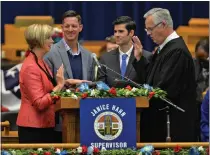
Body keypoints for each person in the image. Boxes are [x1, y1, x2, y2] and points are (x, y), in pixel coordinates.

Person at [132, 8, 197, 142]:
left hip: (172, 126)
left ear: (163, 24)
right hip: (160, 123)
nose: (148, 34)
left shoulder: (176, 51)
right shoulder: (166, 48)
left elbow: (163, 89)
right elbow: (151, 78)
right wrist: (139, 59)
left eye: (150, 29)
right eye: (147, 30)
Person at [44, 10, 94, 142]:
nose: (70, 29)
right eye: (67, 26)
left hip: (85, 118)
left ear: (80, 28)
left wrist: (83, 84)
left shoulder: (89, 55)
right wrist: (66, 83)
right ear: (62, 28)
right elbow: (46, 86)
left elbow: (93, 83)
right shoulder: (50, 53)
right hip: (60, 119)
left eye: (74, 26)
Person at [16, 24, 65, 143]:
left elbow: (45, 87)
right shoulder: (31, 67)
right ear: (39, 40)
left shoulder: (40, 61)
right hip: (33, 129)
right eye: (49, 38)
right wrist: (59, 86)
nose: (52, 41)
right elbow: (40, 103)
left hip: (43, 125)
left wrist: (66, 82)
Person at [98, 16, 152, 87]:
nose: (116, 35)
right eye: (115, 31)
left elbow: (148, 83)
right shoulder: (105, 58)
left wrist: (139, 59)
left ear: (131, 33)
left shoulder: (146, 56)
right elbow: (100, 85)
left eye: (121, 31)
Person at [193, 37, 209, 141]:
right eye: (198, 57)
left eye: (203, 57)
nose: (200, 60)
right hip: (197, 105)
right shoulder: (194, 64)